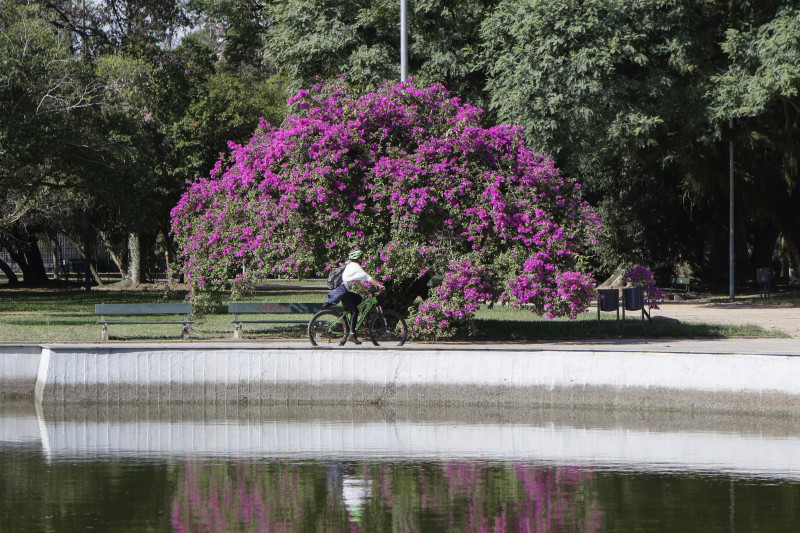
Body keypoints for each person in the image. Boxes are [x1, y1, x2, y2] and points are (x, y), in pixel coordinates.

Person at [323, 249, 384, 344]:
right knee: (355, 311)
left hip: (342, 291)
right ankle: (351, 334)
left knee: (358, 299)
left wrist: (366, 289)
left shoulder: (350, 265)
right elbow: (368, 277)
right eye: (361, 258)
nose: (362, 259)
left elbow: (356, 280)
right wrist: (380, 285)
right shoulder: (355, 266)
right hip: (342, 291)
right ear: (358, 258)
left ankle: (349, 326)